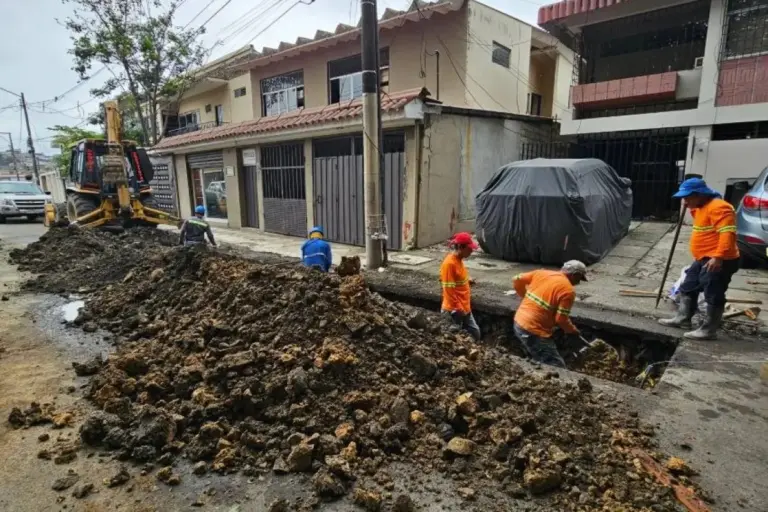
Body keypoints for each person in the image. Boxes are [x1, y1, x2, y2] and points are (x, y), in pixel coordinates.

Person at [659, 178, 739, 340]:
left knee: (713, 293)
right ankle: (683, 318)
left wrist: (718, 257)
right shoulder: (701, 206)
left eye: (688, 197)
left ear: (699, 194)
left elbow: (727, 234)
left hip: (718, 259)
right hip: (703, 258)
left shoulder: (720, 207)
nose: (685, 201)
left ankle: (709, 330)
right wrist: (690, 207)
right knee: (688, 285)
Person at [511, 260, 588, 368]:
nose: (578, 283)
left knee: (537, 357)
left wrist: (524, 295)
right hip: (533, 330)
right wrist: (573, 331)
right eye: (579, 279)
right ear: (574, 275)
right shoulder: (568, 291)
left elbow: (516, 279)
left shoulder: (541, 273)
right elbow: (561, 319)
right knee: (556, 366)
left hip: (519, 321)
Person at [440, 232, 481, 340]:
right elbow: (449, 290)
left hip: (464, 306)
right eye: (470, 248)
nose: (472, 251)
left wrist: (468, 280)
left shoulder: (458, 260)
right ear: (461, 247)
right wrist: (458, 308)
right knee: (454, 338)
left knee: (475, 333)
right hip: (455, 310)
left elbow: (457, 278)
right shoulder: (449, 264)